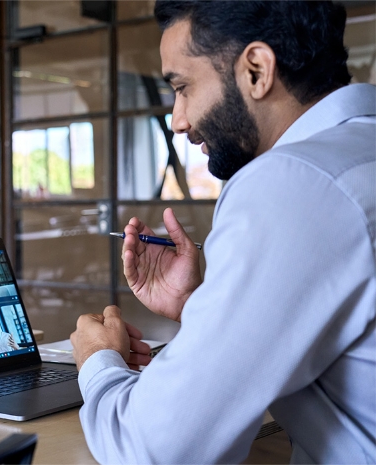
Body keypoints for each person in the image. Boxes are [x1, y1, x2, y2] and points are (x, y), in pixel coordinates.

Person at [70, 1, 375, 463]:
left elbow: (159, 449)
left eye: (183, 87)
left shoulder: (292, 182)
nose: (178, 120)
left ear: (256, 70)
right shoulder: (359, 149)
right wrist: (200, 307)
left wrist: (97, 361)